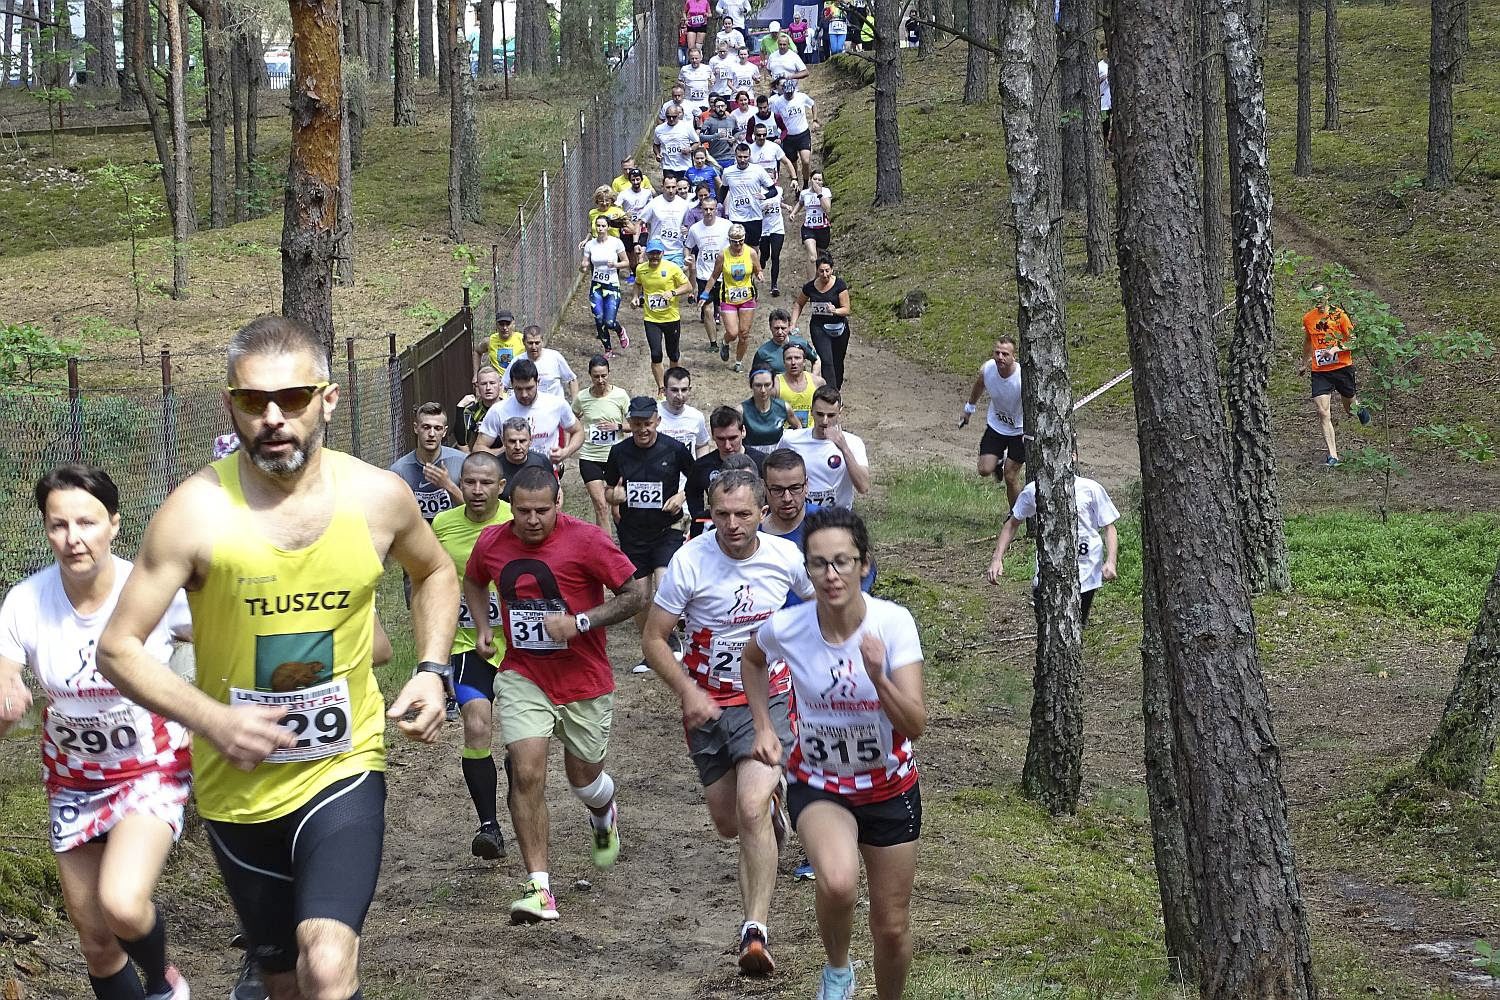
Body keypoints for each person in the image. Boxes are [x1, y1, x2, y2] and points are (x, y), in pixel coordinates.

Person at [96, 315, 461, 1000]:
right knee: (284, 980)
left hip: (342, 766)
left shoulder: (377, 497)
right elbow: (117, 648)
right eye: (252, 400)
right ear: (228, 404)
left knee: (327, 963)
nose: (272, 417)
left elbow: (435, 572)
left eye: (292, 398)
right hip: (239, 790)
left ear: (327, 399)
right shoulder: (194, 513)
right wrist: (214, 720)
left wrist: (432, 669)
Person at [0, 465, 193, 1000]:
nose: (73, 538)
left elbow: (224, 634)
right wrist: (7, 696)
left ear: (113, 524)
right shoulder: (25, 601)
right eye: (58, 525)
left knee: (123, 903)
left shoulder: (150, 590)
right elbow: (4, 669)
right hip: (73, 780)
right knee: (96, 944)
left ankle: (162, 984)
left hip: (150, 769)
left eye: (86, 522)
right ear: (45, 530)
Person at [743, 507, 926, 1000]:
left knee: (890, 927)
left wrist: (878, 677)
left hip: (889, 788)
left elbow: (914, 724)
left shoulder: (893, 625)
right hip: (820, 784)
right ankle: (839, 971)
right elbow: (752, 659)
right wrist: (764, 726)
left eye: (841, 562)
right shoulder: (790, 626)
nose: (830, 575)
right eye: (818, 564)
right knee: (840, 882)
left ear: (864, 565)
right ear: (807, 570)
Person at [641, 470, 815, 977]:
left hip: (769, 700)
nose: (732, 525)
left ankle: (754, 931)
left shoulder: (784, 558)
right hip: (707, 706)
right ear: (708, 514)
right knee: (727, 822)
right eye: (721, 515)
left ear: (763, 513)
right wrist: (688, 691)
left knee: (750, 805)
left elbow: (817, 606)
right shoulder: (689, 562)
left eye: (743, 514)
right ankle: (771, 813)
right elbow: (654, 639)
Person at [466, 466, 647, 922]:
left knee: (584, 780)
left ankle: (603, 811)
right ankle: (539, 887)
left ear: (559, 501)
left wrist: (579, 622)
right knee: (526, 772)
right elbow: (473, 578)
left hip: (584, 680)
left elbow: (634, 594)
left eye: (541, 511)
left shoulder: (585, 540)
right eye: (522, 511)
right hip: (524, 675)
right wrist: (485, 628)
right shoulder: (491, 541)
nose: (531, 520)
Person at [431, 451, 513, 861]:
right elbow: (430, 586)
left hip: (518, 649)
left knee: (520, 743)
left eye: (486, 483)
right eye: (469, 483)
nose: (477, 491)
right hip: (467, 645)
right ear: (458, 485)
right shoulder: (443, 526)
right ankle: (489, 826)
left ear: (501, 487)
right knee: (477, 724)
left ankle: (520, 795)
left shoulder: (520, 522)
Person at [603, 396, 697, 674]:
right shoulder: (619, 452)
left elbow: (696, 479)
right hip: (633, 532)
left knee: (665, 582)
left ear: (657, 421)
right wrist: (614, 496)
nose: (643, 429)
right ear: (629, 424)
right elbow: (608, 489)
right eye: (637, 424)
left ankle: (672, 638)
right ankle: (655, 648)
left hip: (667, 527)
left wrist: (681, 495)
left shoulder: (674, 449)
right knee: (640, 598)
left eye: (647, 423)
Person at [986, 448, 1120, 628]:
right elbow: (1012, 523)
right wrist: (997, 559)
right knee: (1048, 628)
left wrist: (1111, 561)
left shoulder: (1091, 489)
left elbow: (1109, 527)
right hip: (1047, 571)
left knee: (1076, 627)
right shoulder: (1035, 490)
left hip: (1086, 572)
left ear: (1074, 457)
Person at [1299, 284, 1370, 467]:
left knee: (1349, 409)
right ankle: (1333, 455)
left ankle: (1359, 408)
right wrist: (1304, 363)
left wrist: (1335, 349)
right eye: (1314, 297)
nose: (1318, 300)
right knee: (1322, 412)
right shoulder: (1308, 318)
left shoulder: (1340, 316)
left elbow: (1354, 341)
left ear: (1328, 296)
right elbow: (1308, 341)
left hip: (1341, 367)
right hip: (1320, 371)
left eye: (1321, 296)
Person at [958, 337, 1026, 510]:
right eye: (997, 353)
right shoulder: (987, 369)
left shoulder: (1022, 378)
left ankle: (1015, 516)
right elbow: (979, 385)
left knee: (1010, 476)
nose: (1000, 357)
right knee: (984, 470)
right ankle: (997, 461)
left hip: (1020, 430)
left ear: (1014, 357)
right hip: (996, 425)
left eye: (1005, 354)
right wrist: (969, 409)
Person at [477, 358, 584, 465]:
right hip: (511, 475)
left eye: (529, 388)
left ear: (538, 382)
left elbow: (578, 431)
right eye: (518, 389)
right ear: (511, 384)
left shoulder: (556, 404)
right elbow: (478, 448)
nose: (524, 394)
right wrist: (502, 452)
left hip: (545, 473)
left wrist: (566, 452)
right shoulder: (498, 410)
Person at [781, 386, 870, 509]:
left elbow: (863, 486)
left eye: (831, 415)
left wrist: (844, 448)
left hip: (837, 518)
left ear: (840, 412)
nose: (825, 421)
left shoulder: (853, 443)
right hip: (802, 516)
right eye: (820, 414)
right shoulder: (791, 440)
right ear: (811, 411)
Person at [572, 354, 633, 528]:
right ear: (590, 375)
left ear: (609, 373)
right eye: (596, 376)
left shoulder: (620, 395)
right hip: (590, 457)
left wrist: (618, 427)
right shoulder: (582, 398)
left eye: (603, 375)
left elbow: (635, 425)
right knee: (600, 506)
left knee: (618, 510)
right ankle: (604, 552)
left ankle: (627, 543)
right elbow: (571, 420)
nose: (600, 380)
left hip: (616, 457)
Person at [686, 406, 766, 535]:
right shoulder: (702, 465)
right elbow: (692, 492)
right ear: (713, 436)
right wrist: (700, 515)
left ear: (743, 431)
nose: (727, 446)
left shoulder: (762, 462)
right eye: (721, 439)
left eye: (733, 438)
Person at [634, 238, 695, 396]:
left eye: (657, 253)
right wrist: (635, 297)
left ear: (662, 253)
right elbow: (638, 283)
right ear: (647, 254)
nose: (654, 257)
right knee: (656, 354)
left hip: (671, 318)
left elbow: (688, 286)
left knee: (673, 354)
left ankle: (674, 384)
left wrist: (673, 292)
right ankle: (661, 388)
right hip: (651, 319)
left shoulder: (672, 268)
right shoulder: (641, 269)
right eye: (651, 254)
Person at [389, 401, 466, 522]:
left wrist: (448, 485)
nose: (431, 434)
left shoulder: (461, 462)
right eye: (426, 427)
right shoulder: (399, 470)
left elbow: (474, 511)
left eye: (437, 428)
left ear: (445, 431)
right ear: (416, 428)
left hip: (453, 534)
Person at [789, 253, 852, 391]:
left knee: (837, 362)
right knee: (826, 361)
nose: (824, 274)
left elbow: (846, 309)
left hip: (839, 327)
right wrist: (793, 323)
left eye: (827, 271)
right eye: (821, 271)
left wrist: (835, 311)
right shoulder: (810, 287)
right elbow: (799, 304)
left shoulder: (840, 285)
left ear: (832, 270)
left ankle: (836, 387)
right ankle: (832, 394)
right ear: (817, 271)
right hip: (819, 328)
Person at [707, 221, 763, 372]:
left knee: (744, 333)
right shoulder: (722, 255)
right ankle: (725, 342)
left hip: (747, 297)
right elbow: (714, 276)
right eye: (734, 242)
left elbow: (758, 269)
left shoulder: (751, 253)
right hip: (728, 297)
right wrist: (705, 293)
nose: (738, 245)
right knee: (733, 332)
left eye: (740, 242)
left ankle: (738, 362)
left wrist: (760, 275)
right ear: (729, 240)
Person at [580, 215, 632, 356]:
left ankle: (620, 331)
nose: (600, 229)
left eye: (603, 226)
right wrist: (583, 266)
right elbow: (585, 263)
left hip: (612, 285)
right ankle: (608, 349)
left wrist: (615, 265)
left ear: (608, 227)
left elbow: (626, 262)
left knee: (609, 321)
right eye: (598, 226)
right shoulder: (590, 244)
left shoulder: (616, 243)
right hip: (597, 286)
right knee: (598, 318)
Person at [686, 197, 733, 353]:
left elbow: (737, 246)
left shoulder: (727, 226)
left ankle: (729, 336)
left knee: (727, 310)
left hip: (724, 275)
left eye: (711, 209)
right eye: (705, 209)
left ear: (716, 209)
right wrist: (687, 256)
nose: (708, 212)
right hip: (704, 275)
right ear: (701, 209)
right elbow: (688, 246)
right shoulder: (695, 229)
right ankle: (713, 343)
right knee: (707, 309)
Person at [721, 141, 776, 252]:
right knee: (736, 248)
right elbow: (723, 190)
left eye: (745, 157)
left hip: (754, 215)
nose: (742, 160)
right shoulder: (728, 172)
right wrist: (719, 205)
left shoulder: (758, 170)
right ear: (735, 156)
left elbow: (773, 190)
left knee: (754, 249)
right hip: (736, 216)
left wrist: (764, 196)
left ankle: (756, 269)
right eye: (740, 157)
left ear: (749, 156)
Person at [493, 417, 560, 503]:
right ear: (503, 441)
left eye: (522, 441)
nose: (517, 447)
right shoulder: (494, 467)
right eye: (512, 441)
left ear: (530, 441)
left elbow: (553, 493)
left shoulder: (542, 461)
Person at [502, 327, 578, 400]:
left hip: (554, 408)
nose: (534, 347)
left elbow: (572, 380)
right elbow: (503, 385)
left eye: (537, 343)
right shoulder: (517, 361)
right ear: (523, 342)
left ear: (542, 341)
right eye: (530, 343)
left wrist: (575, 403)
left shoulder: (555, 357)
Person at [769, 78, 817, 189]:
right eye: (787, 93)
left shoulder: (801, 97)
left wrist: (814, 120)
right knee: (793, 163)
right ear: (783, 91)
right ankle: (796, 185)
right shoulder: (778, 102)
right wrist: (778, 135)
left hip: (802, 133)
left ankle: (805, 184)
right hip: (788, 136)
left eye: (791, 93)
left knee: (805, 160)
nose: (789, 95)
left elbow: (813, 104)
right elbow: (774, 119)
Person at [639, 175, 694, 271]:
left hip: (676, 249)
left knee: (676, 280)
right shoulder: (654, 203)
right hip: (658, 249)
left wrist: (686, 230)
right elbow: (640, 222)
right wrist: (637, 243)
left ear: (676, 187)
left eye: (673, 187)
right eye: (668, 187)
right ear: (662, 187)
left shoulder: (684, 205)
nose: (671, 190)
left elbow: (688, 225)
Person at [659, 366, 713, 457]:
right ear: (664, 391)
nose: (680, 396)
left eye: (684, 390)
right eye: (674, 390)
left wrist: (700, 467)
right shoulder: (653, 415)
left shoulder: (696, 417)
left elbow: (702, 445)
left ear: (689, 390)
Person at [615, 167, 656, 285]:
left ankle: (643, 280)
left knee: (640, 254)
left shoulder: (647, 193)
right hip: (627, 229)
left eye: (638, 179)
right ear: (630, 181)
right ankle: (634, 273)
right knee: (631, 258)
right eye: (633, 180)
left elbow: (652, 207)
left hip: (641, 227)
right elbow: (617, 207)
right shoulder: (624, 194)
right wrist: (622, 215)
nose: (636, 182)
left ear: (642, 179)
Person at [742, 368, 798, 454]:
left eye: (767, 385)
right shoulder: (741, 410)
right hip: (751, 457)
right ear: (751, 385)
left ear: (773, 385)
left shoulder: (783, 407)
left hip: (777, 457)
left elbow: (798, 428)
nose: (763, 390)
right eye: (758, 385)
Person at [752, 308, 819, 376]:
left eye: (783, 328)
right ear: (770, 327)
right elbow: (755, 376)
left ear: (789, 327)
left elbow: (816, 360)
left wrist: (813, 379)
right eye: (776, 328)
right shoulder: (762, 352)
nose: (780, 332)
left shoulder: (801, 343)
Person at [793, 171, 833, 282]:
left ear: (823, 181)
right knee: (812, 256)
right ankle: (811, 284)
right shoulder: (805, 193)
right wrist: (793, 213)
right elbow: (800, 203)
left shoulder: (826, 192)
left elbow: (827, 209)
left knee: (819, 258)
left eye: (820, 180)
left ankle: (818, 280)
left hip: (823, 229)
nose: (817, 181)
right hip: (808, 228)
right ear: (810, 179)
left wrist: (819, 193)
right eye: (815, 179)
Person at [774, 342, 823, 427]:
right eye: (789, 358)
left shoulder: (818, 382)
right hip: (785, 436)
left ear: (804, 362)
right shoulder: (775, 384)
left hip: (811, 435)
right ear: (784, 363)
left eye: (797, 358)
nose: (793, 362)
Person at [456, 366, 504, 451]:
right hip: (481, 459)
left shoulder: (509, 408)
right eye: (484, 384)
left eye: (492, 383)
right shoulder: (471, 411)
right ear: (477, 386)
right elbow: (462, 442)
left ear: (500, 385)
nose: (488, 388)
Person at [654, 105, 701, 183]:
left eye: (674, 117)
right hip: (668, 166)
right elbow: (656, 144)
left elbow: (697, 142)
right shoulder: (659, 129)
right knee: (670, 189)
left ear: (678, 116)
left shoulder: (686, 127)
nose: (671, 119)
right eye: (669, 117)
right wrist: (657, 154)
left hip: (684, 165)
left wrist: (690, 149)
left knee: (683, 190)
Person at [759, 183, 791, 298]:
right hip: (764, 229)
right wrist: (762, 208)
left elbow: (778, 201)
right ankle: (762, 260)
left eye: (771, 178)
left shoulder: (779, 190)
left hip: (778, 228)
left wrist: (785, 206)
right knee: (765, 254)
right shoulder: (758, 192)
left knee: (775, 256)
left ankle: (774, 285)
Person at [749, 121, 795, 191]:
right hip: (756, 185)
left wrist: (794, 178)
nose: (761, 137)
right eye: (759, 135)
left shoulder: (774, 147)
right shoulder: (749, 149)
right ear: (754, 134)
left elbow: (787, 162)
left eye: (764, 135)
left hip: (772, 184)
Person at [480, 308, 525, 376]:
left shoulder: (522, 339)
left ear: (513, 323)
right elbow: (477, 351)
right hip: (498, 382)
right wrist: (475, 374)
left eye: (508, 324)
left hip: (518, 380)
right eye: (501, 324)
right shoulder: (490, 340)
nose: (504, 327)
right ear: (497, 325)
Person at [700, 95, 739, 168]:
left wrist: (734, 138)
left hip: (729, 157)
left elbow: (737, 131)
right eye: (718, 107)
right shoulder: (709, 121)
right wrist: (715, 136)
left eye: (722, 106)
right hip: (715, 157)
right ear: (714, 107)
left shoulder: (732, 119)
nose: (720, 109)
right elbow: (701, 137)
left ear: (726, 107)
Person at [678, 46, 714, 116]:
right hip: (689, 101)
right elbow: (679, 81)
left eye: (696, 58)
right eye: (692, 58)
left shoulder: (707, 68)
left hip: (704, 102)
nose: (694, 60)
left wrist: (712, 81)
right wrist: (682, 85)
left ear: (701, 58)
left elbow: (713, 80)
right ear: (689, 58)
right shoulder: (684, 69)